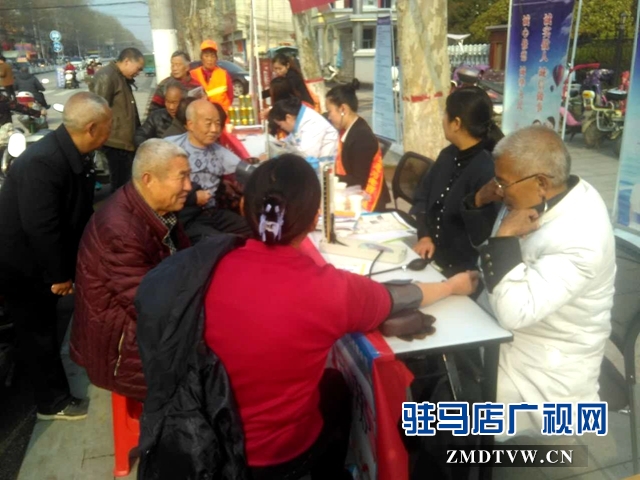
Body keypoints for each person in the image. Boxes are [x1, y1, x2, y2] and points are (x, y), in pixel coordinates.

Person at [202, 154, 478, 479]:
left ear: (244, 206)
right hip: (278, 455)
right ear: (314, 219)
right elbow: (399, 297)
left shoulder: (214, 265)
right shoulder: (328, 289)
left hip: (211, 441)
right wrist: (451, 286)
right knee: (338, 388)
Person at [468, 125, 616, 436]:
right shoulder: (541, 197)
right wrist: (482, 205)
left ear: (541, 183)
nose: (498, 190)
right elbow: (488, 257)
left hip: (544, 370)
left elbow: (514, 312)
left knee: (451, 410)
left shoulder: (582, 237)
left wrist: (504, 239)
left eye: (503, 183)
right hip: (505, 337)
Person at [0, 92, 112, 420]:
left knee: (43, 329)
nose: (112, 130)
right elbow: (41, 226)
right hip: (22, 264)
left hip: (39, 258)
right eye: (109, 125)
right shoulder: (44, 162)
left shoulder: (72, 153)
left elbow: (77, 210)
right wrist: (59, 275)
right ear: (92, 128)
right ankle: (51, 403)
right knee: (38, 332)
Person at [70, 139, 192, 401]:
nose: (188, 186)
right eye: (181, 177)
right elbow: (150, 307)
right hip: (123, 351)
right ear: (148, 180)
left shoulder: (156, 209)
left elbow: (187, 261)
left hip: (140, 324)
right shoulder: (121, 232)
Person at [411, 86, 504, 277]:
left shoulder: (487, 169)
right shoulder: (448, 155)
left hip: (464, 271)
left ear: (456, 123)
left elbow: (484, 235)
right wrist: (425, 236)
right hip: (431, 257)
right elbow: (422, 197)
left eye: (445, 114)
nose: (442, 120)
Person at [165, 99, 251, 240]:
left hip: (213, 212)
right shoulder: (170, 148)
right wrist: (192, 197)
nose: (214, 129)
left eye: (217, 124)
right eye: (208, 123)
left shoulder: (220, 152)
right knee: (219, 242)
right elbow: (159, 186)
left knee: (254, 229)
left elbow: (248, 171)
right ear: (190, 124)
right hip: (185, 216)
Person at [325, 80, 390, 212]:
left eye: (330, 111)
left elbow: (359, 180)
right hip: (352, 190)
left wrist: (327, 177)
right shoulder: (350, 128)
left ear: (343, 109)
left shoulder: (362, 137)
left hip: (367, 198)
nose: (329, 117)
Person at [91, 47, 144, 190]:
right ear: (127, 61)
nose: (138, 72)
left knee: (127, 184)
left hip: (124, 142)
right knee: (120, 187)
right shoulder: (107, 76)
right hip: (115, 143)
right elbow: (97, 110)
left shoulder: (121, 77)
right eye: (138, 68)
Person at [268, 96, 338, 171]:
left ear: (288, 118)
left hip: (326, 169)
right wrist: (279, 145)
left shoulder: (312, 123)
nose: (281, 128)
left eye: (280, 125)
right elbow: (290, 141)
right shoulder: (298, 122)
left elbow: (305, 155)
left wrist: (278, 156)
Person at [190, 40, 233, 112]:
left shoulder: (223, 74)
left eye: (212, 56)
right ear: (201, 57)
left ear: (216, 58)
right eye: (206, 56)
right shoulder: (193, 74)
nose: (209, 59)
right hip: (201, 114)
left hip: (222, 116)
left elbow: (230, 96)